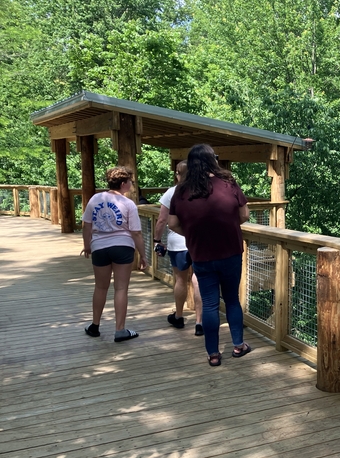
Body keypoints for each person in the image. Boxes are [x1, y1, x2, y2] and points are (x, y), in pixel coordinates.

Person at [168, 144, 250, 367]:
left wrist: (194, 232)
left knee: (210, 304)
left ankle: (213, 354)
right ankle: (238, 345)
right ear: (212, 160)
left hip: (201, 253)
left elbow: (172, 222)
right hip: (230, 251)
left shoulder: (182, 190)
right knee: (232, 299)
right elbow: (244, 214)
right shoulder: (228, 183)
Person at [81, 166, 148, 341]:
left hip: (99, 246)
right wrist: (143, 255)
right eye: (131, 182)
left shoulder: (96, 198)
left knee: (100, 287)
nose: (132, 185)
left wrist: (87, 245)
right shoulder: (128, 204)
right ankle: (120, 330)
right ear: (124, 184)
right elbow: (136, 233)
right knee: (121, 288)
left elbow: (87, 224)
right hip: (123, 246)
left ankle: (95, 326)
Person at [154, 160, 203, 335]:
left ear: (178, 174)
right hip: (199, 241)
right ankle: (200, 322)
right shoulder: (202, 191)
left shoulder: (171, 192)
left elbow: (161, 220)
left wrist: (157, 241)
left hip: (177, 243)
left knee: (181, 280)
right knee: (199, 280)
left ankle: (179, 316)